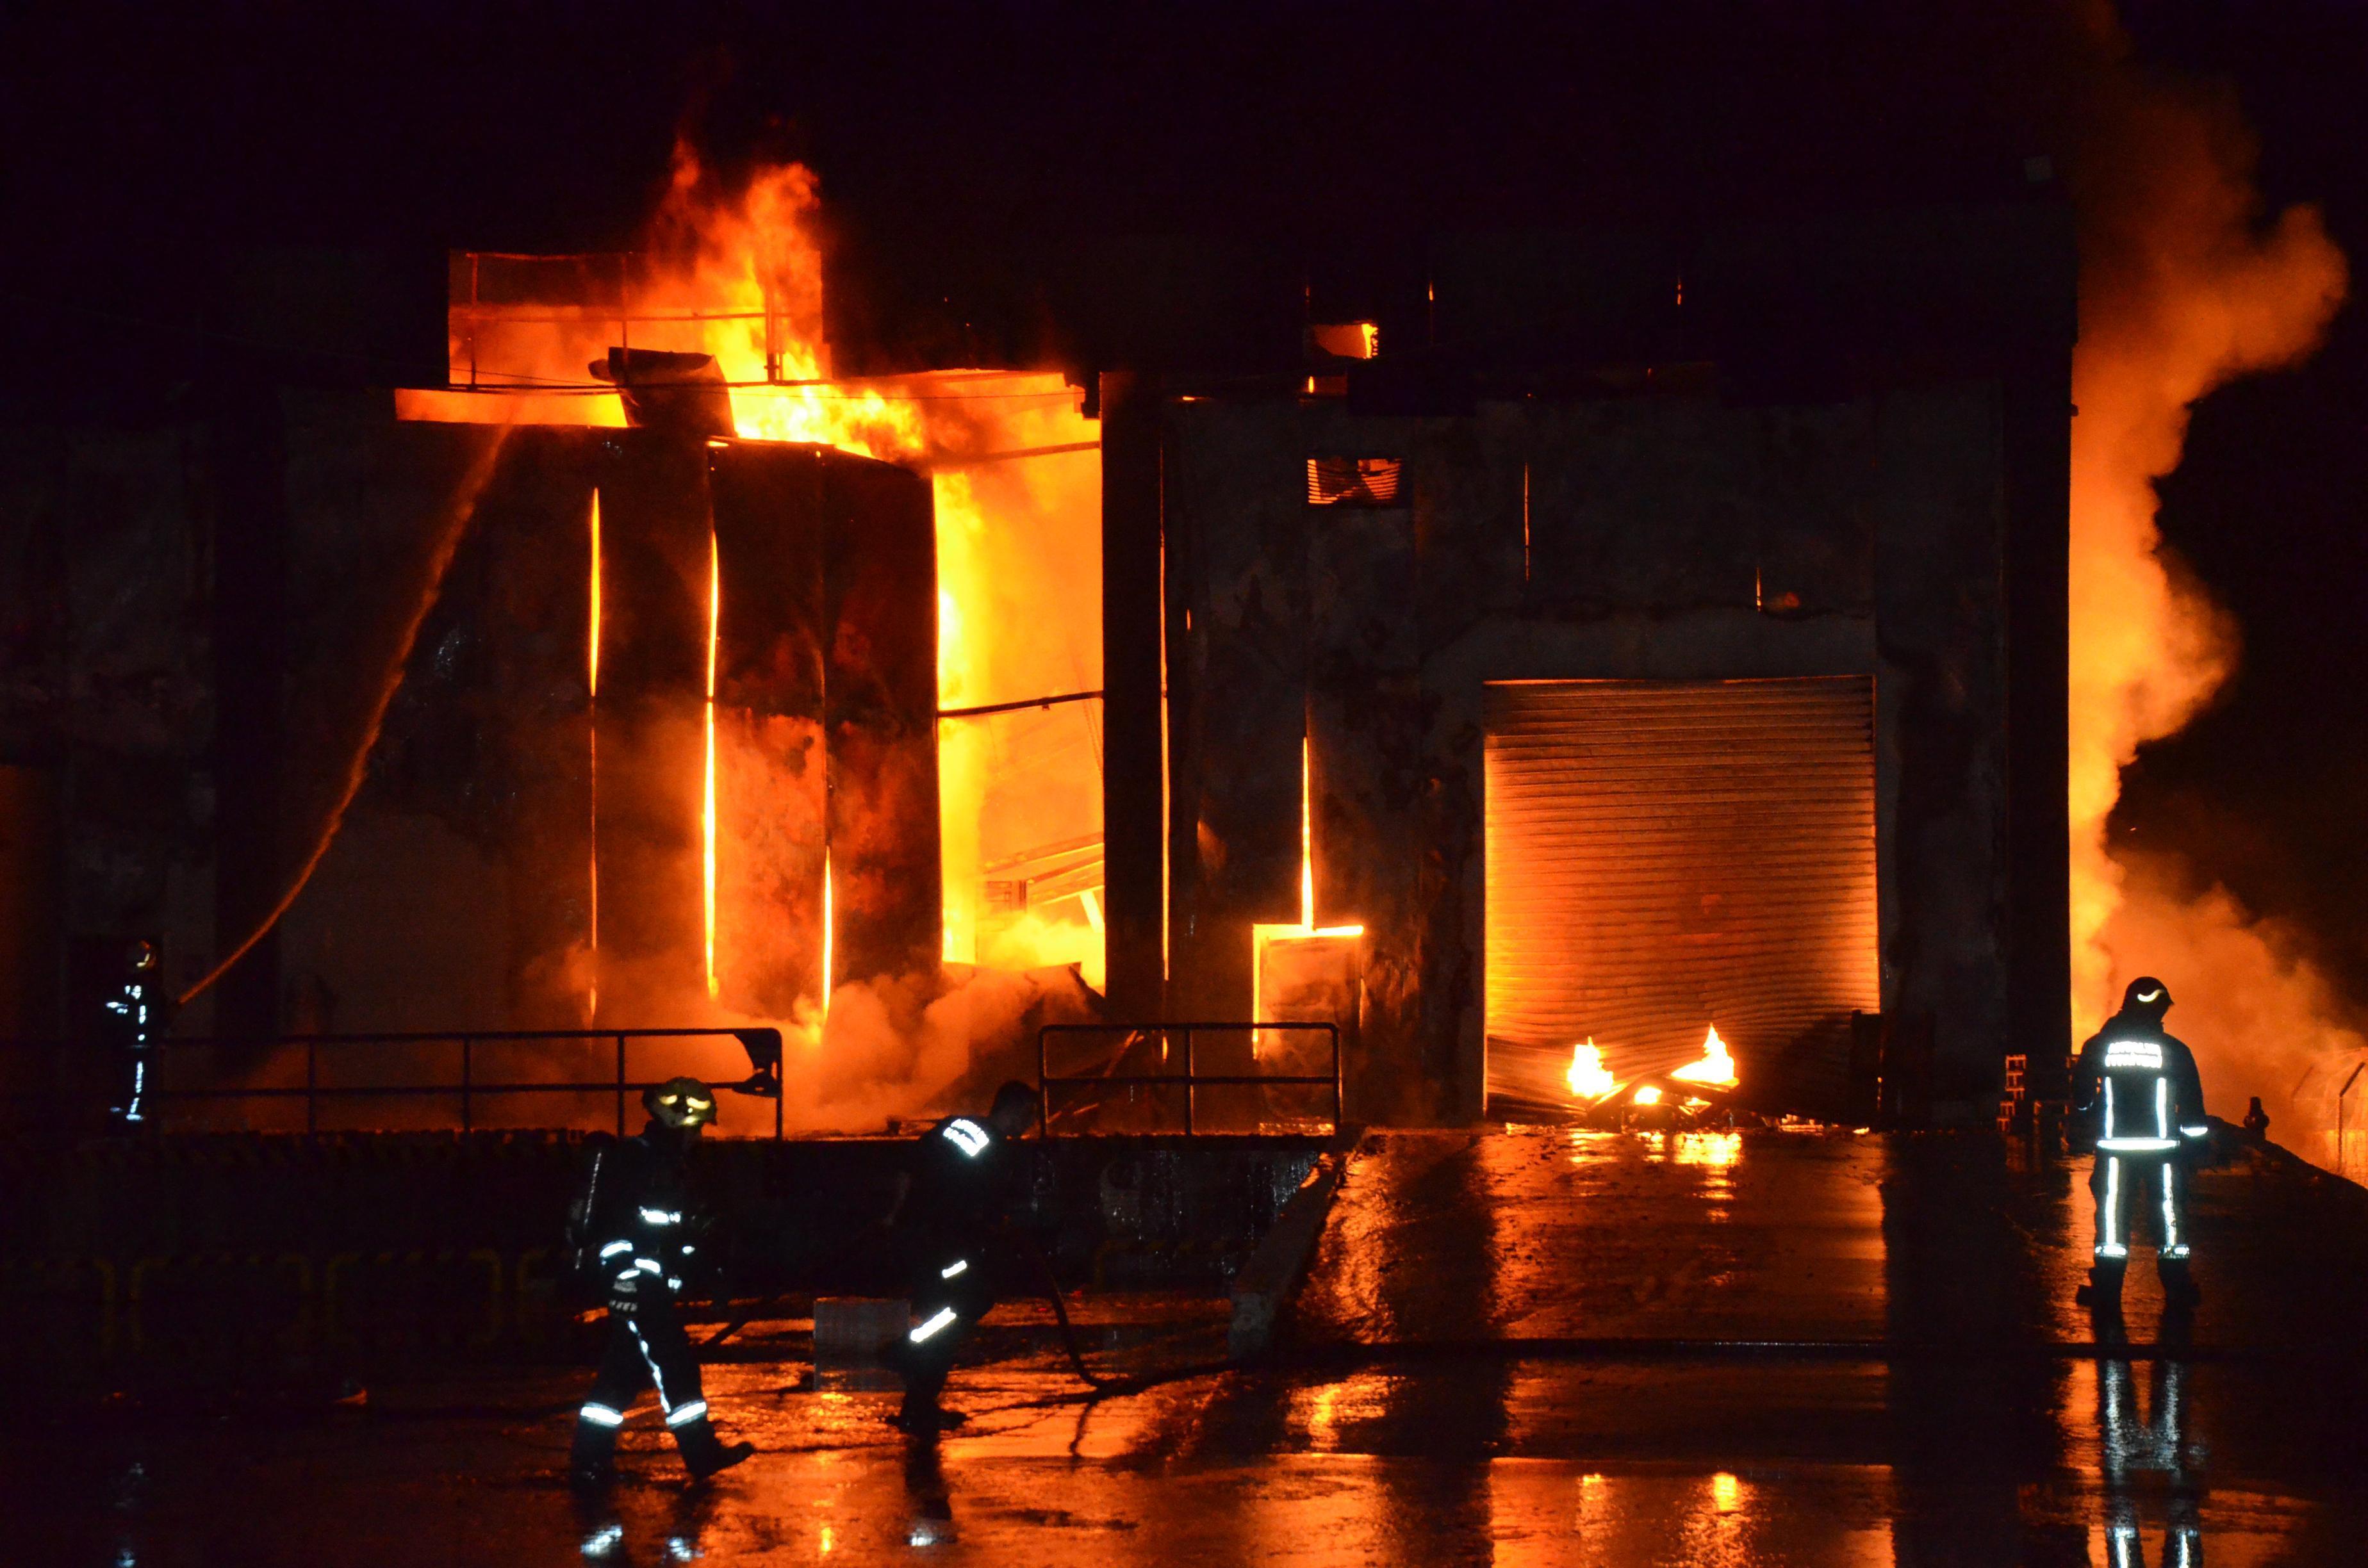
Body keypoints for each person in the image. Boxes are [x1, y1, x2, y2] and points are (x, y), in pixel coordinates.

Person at [566, 1075, 753, 1485]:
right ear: (675, 1122)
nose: (698, 1137)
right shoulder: (636, 1161)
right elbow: (614, 1227)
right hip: (636, 1286)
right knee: (678, 1365)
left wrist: (710, 1277)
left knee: (619, 1376)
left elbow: (675, 1235)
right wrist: (624, 1279)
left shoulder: (669, 1167)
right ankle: (699, 1452)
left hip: (649, 1286)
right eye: (694, 1128)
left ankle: (588, 1461)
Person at [882, 1080, 1042, 1434]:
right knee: (969, 1302)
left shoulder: (955, 1125)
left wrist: (894, 1217)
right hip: (945, 1247)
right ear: (1013, 1111)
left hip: (914, 1237)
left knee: (939, 1317)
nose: (1030, 1124)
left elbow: (907, 1168)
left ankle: (918, 1408)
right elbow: (988, 1212)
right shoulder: (998, 1151)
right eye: (1029, 1115)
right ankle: (905, 1353)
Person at [2073, 977, 2210, 1314]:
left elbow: (2081, 1100)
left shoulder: (2099, 1046)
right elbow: (2192, 1109)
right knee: (2169, 1217)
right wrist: (2196, 1149)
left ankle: (2106, 1290)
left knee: (2113, 1218)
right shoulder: (2176, 1050)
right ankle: (2178, 1288)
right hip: (2163, 1152)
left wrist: (2083, 1121)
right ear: (2158, 1009)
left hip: (2115, 1149)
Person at [101, 940, 165, 1128]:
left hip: (124, 1045)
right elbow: (159, 1015)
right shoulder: (151, 989)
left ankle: (119, 1118)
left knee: (125, 1081)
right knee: (138, 1083)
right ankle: (132, 1120)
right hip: (139, 1046)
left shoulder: (119, 986)